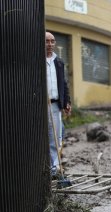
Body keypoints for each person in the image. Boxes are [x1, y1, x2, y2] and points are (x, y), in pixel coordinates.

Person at [46, 31, 71, 177]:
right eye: (47, 41)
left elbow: (64, 83)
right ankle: (52, 168)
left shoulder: (59, 62)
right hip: (43, 105)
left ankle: (54, 167)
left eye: (52, 41)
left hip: (55, 105)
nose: (50, 44)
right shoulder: (37, 61)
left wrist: (67, 102)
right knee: (51, 136)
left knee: (58, 135)